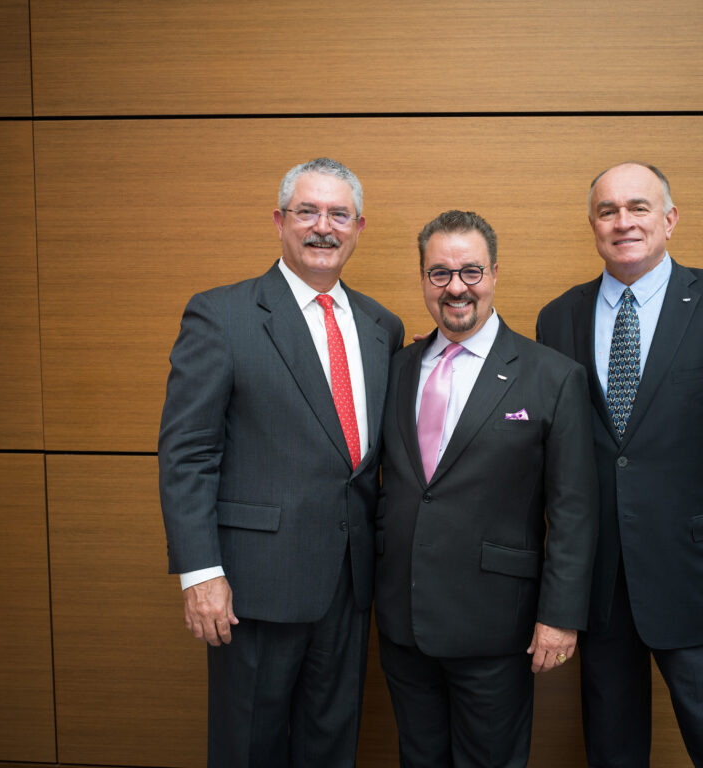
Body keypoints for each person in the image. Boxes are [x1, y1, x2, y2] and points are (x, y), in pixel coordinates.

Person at [536, 162, 703, 767]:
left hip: (700, 574)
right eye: (608, 211)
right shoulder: (559, 318)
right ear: (592, 225)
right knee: (612, 750)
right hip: (601, 583)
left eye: (638, 207)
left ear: (670, 219)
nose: (623, 222)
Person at [158, 157, 404, 767]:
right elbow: (188, 452)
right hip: (253, 587)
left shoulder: (382, 326)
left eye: (338, 214)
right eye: (308, 211)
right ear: (279, 221)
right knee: (249, 750)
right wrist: (199, 573)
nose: (324, 227)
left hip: (349, 589)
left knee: (331, 748)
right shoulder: (222, 315)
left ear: (359, 227)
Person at [375, 210, 599, 768]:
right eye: (440, 273)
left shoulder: (552, 376)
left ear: (495, 274)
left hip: (496, 627)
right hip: (403, 621)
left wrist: (561, 614)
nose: (456, 287)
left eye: (471, 271)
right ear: (423, 278)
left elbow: (574, 509)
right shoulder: (396, 369)